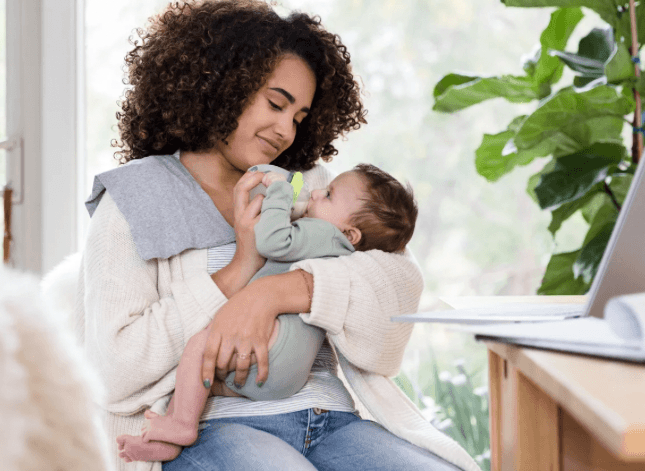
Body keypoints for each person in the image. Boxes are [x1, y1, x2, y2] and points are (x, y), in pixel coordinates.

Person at [76, 0, 480, 471]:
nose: (286, 130)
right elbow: (114, 369)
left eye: (299, 117)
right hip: (214, 428)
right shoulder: (135, 200)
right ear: (222, 84)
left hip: (332, 419)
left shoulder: (309, 187)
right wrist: (239, 271)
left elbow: (398, 285)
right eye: (276, 103)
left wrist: (275, 294)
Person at [115, 164, 418, 463]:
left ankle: (181, 424)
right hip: (283, 375)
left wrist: (281, 194)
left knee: (198, 350)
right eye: (275, 109)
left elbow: (273, 240)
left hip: (281, 364)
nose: (313, 193)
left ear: (351, 234)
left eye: (326, 195)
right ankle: (172, 437)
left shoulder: (322, 231)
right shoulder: (338, 239)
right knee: (205, 376)